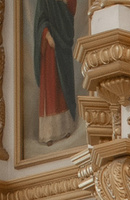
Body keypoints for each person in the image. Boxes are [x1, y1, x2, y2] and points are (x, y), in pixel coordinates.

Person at [30, 0, 78, 146]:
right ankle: (49, 133)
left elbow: (70, 10)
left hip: (62, 49)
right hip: (49, 49)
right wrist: (47, 35)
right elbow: (40, 20)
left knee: (62, 87)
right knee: (50, 88)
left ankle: (65, 128)